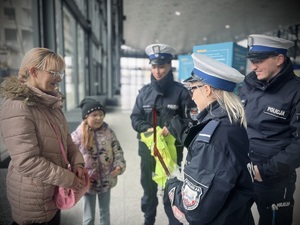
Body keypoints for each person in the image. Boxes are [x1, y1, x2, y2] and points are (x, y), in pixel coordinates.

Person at [165, 53, 255, 225]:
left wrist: (173, 185)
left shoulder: (213, 139)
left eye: (193, 89)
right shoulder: (232, 121)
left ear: (206, 90)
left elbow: (195, 211)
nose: (191, 96)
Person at [0, 47, 86, 225]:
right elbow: (27, 161)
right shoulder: (18, 107)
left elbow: (66, 140)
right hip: (32, 196)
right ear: (33, 71)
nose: (60, 78)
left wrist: (77, 162)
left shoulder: (49, 103)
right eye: (54, 72)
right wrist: (69, 179)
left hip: (53, 190)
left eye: (61, 72)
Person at [130, 43, 196, 225]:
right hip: (148, 151)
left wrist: (174, 128)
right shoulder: (144, 93)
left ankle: (174, 220)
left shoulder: (181, 93)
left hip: (172, 152)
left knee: (171, 190)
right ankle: (148, 220)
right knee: (149, 191)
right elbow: (135, 118)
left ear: (169, 66)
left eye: (161, 66)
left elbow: (191, 120)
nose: (157, 71)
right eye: (154, 66)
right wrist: (145, 127)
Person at [239, 34, 300, 225]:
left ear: (279, 59)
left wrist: (265, 171)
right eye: (252, 61)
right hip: (242, 170)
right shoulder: (247, 85)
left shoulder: (296, 91)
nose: (253, 66)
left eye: (259, 61)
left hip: (274, 178)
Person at [71, 98, 126, 225]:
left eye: (101, 114)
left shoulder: (108, 132)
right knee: (89, 217)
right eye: (94, 115)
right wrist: (77, 177)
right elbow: (70, 157)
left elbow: (117, 151)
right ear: (86, 117)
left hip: (106, 180)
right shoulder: (77, 135)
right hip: (88, 183)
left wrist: (119, 166)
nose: (99, 118)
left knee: (104, 213)